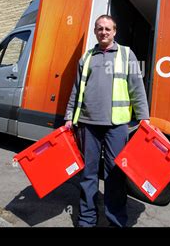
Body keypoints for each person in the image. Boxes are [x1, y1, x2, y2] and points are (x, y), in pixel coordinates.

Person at [64, 14, 150, 227]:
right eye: (99, 28)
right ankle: (86, 220)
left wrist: (144, 118)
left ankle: (116, 221)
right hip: (88, 124)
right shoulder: (86, 58)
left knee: (115, 175)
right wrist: (68, 118)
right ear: (95, 31)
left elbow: (137, 87)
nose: (103, 32)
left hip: (116, 126)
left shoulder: (126, 54)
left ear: (115, 31)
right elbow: (76, 90)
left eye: (107, 29)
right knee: (88, 174)